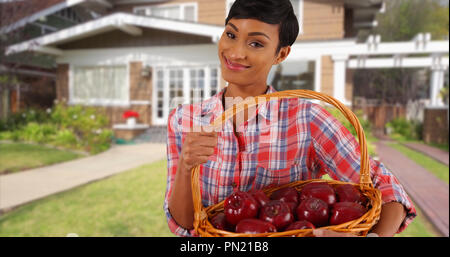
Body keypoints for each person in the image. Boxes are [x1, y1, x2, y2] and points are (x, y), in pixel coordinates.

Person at [164, 0, 416, 237]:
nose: (236, 52)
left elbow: (385, 186)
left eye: (256, 44)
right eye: (231, 35)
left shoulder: (307, 119)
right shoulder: (184, 119)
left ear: (281, 54)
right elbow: (185, 224)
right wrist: (187, 168)